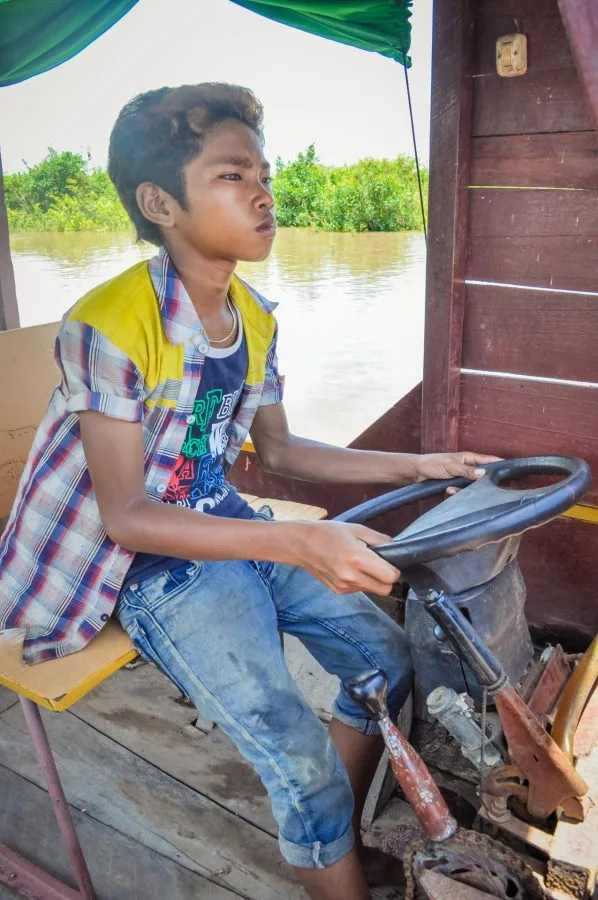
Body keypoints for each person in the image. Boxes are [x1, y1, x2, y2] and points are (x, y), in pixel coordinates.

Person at [0, 83, 497, 900]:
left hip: (223, 521)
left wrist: (418, 466)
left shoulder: (252, 317)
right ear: (160, 201)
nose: (265, 192)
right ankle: (324, 832)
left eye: (263, 171)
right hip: (146, 564)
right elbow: (126, 517)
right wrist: (299, 540)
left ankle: (320, 832)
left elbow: (281, 447)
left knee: (385, 657)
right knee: (294, 748)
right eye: (233, 175)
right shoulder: (110, 324)